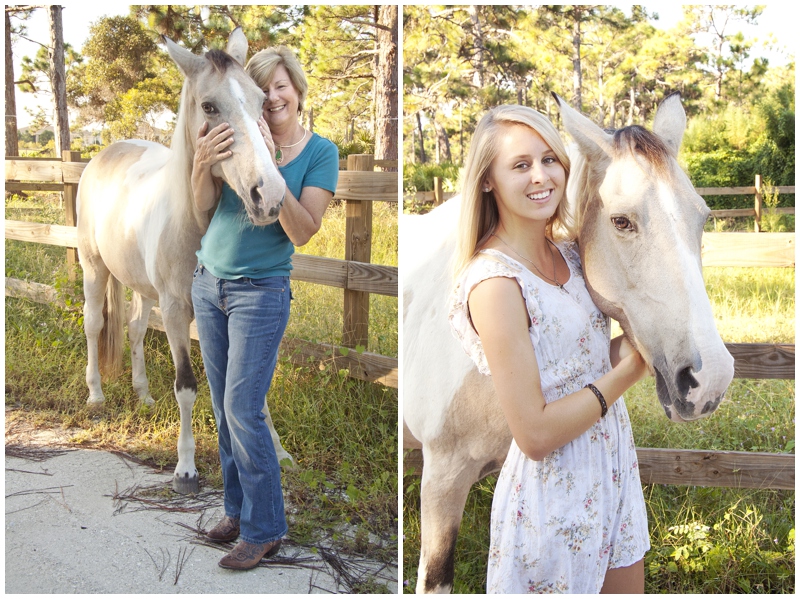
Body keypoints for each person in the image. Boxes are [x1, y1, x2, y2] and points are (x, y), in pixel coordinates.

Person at [448, 105, 650, 593]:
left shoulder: (572, 253)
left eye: (549, 159)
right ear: (488, 181)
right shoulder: (494, 283)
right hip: (552, 496)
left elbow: (592, 354)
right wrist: (627, 374)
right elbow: (534, 433)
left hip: (614, 467)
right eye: (519, 165)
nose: (540, 176)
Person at [190, 46, 339, 570]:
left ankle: (265, 527)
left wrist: (272, 176)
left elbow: (303, 231)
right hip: (208, 283)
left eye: (282, 86)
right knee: (221, 406)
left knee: (243, 408)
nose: (274, 97)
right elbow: (204, 211)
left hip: (261, 291)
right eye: (265, 88)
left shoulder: (321, 153)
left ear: (296, 91)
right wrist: (201, 165)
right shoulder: (235, 134)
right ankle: (237, 510)